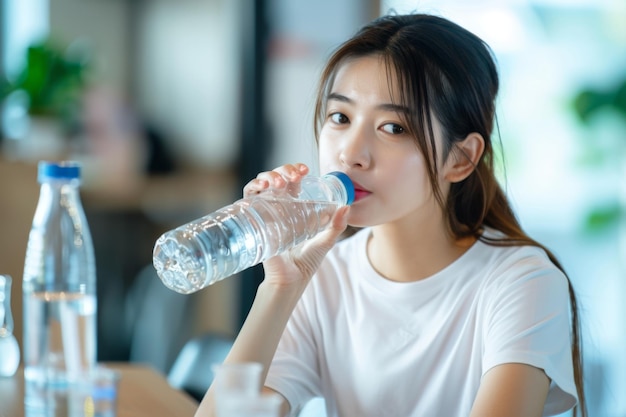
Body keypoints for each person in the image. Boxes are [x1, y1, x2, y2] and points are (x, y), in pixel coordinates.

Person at [195, 13, 586, 417]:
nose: (351, 154)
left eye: (394, 127)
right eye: (340, 118)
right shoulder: (324, 276)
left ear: (462, 158)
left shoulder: (522, 283)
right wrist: (279, 288)